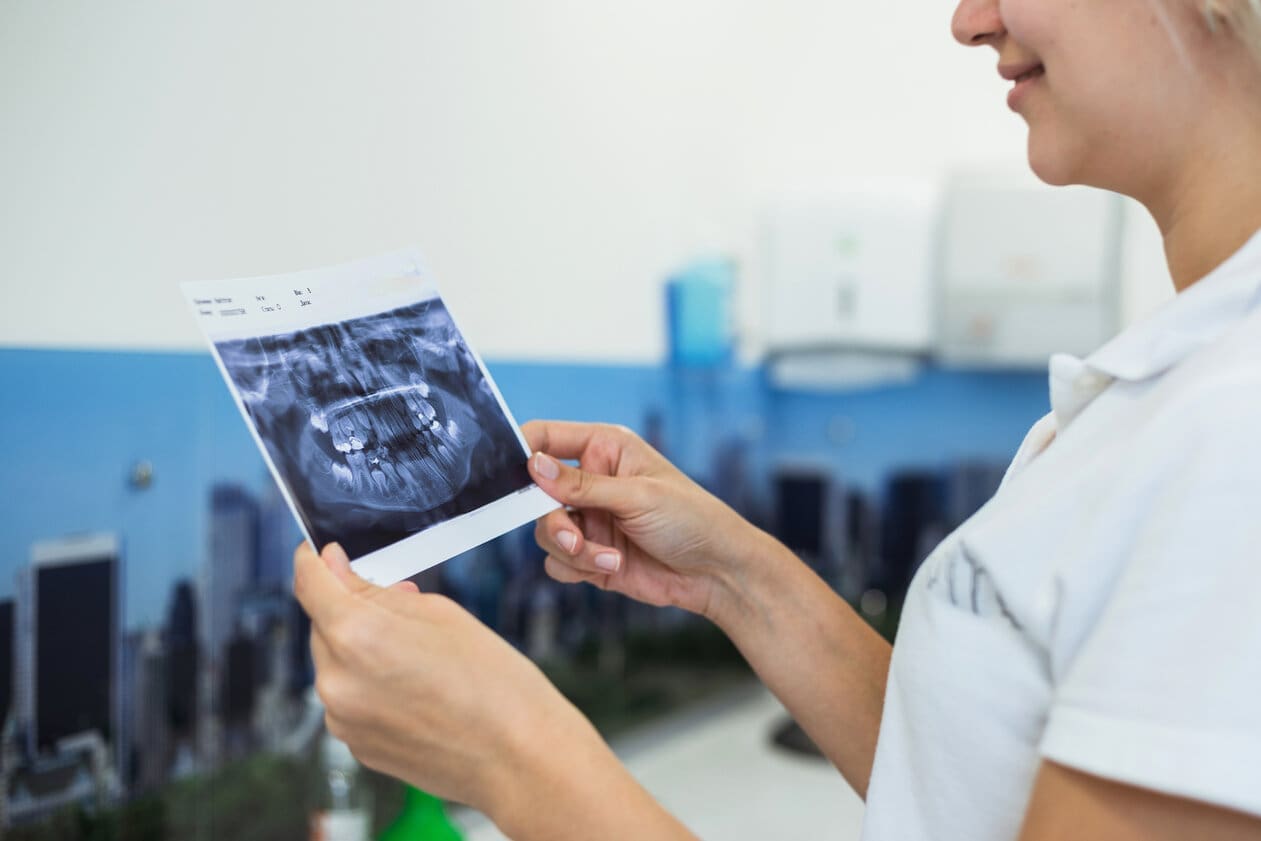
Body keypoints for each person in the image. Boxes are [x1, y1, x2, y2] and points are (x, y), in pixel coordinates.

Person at [292, 0, 1261, 837]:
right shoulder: (1176, 390)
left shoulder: (1233, 428)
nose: (969, 20)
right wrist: (733, 575)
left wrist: (512, 756)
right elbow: (970, 783)